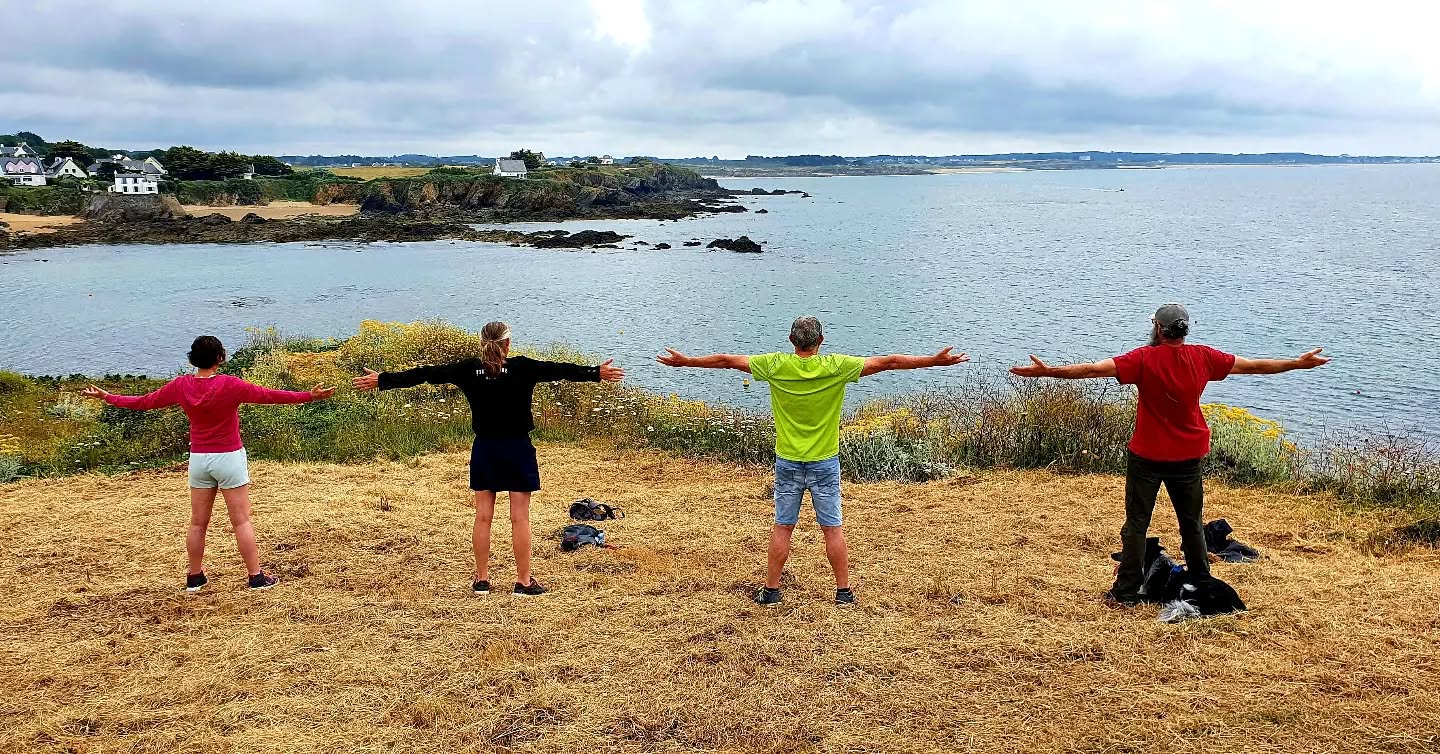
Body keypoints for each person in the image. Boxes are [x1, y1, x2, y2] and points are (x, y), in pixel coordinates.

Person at [1009, 303, 1330, 605]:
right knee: (1191, 523)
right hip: (1188, 455)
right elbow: (1254, 366)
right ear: (1185, 330)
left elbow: (1093, 370)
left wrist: (1048, 372)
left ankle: (1125, 592)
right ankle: (1201, 581)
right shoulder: (1204, 357)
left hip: (1147, 455)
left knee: (1136, 523)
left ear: (1159, 329)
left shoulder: (1143, 359)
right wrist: (1296, 364)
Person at [658, 315, 968, 607]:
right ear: (821, 339)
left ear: (791, 340)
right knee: (832, 529)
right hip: (824, 462)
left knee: (783, 526)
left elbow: (726, 360)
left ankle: (771, 591)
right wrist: (933, 361)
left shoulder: (775, 365)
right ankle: (843, 593)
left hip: (788, 462)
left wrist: (687, 361)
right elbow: (889, 362)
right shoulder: (837, 366)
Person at [352, 321, 624, 597]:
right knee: (520, 518)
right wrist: (595, 372)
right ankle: (524, 582)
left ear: (482, 343)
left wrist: (383, 380)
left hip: (485, 449)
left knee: (483, 517)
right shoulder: (523, 367)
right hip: (518, 448)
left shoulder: (468, 370)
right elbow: (560, 369)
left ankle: (482, 580)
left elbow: (426, 374)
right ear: (508, 344)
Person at [81, 336, 335, 592]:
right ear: (220, 358)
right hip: (229, 457)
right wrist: (308, 396)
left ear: (193, 359)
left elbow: (145, 402)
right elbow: (269, 396)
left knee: (198, 522)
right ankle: (256, 577)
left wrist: (108, 397)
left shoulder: (181, 386)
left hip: (199, 459)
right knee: (241, 521)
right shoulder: (231, 385)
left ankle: (194, 577)